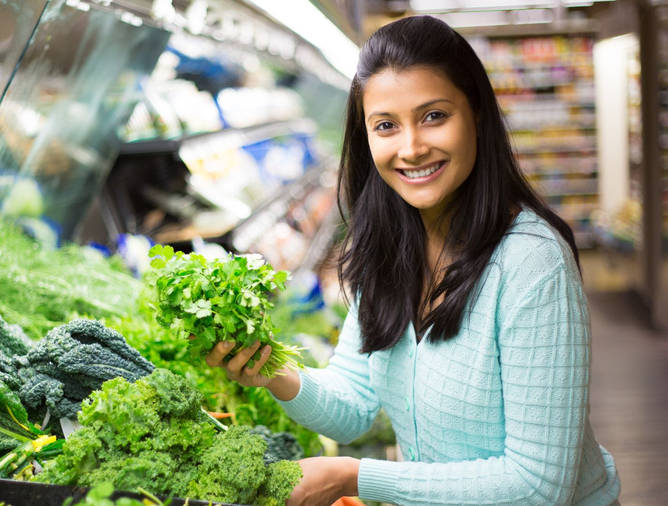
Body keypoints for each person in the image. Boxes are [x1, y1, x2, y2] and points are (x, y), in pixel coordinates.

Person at [203, 15, 621, 506]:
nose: (411, 148)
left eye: (434, 116)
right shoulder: (385, 247)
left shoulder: (531, 262)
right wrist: (272, 370)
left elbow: (537, 486)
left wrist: (355, 477)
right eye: (386, 125)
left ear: (477, 115)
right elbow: (354, 403)